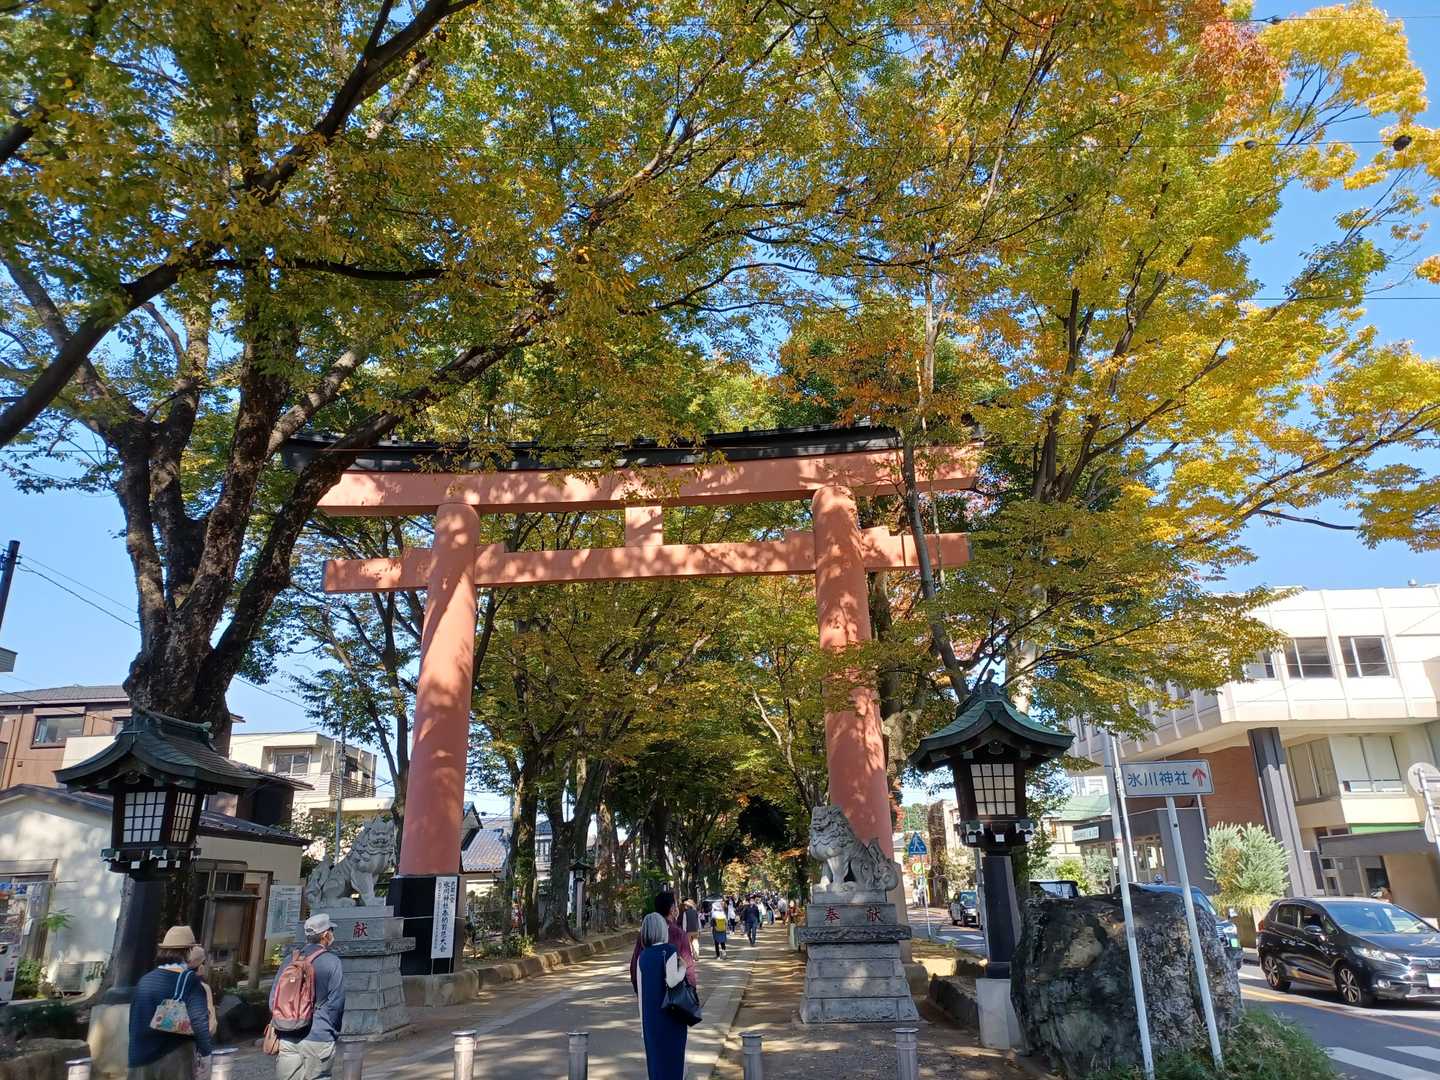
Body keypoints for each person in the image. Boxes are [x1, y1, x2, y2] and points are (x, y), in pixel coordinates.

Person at [129, 925, 213, 1080]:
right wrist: (206, 1054)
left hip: (140, 1057)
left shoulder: (145, 980)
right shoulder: (190, 980)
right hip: (174, 1056)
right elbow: (199, 1020)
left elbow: (134, 1020)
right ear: (188, 951)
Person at [270, 913, 346, 1080]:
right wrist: (331, 1030)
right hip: (319, 1033)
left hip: (288, 1034)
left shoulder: (290, 960)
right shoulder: (332, 962)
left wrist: (285, 1022)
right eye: (331, 931)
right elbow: (337, 1003)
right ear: (325, 935)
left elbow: (273, 999)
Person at [634, 912, 688, 1080]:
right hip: (671, 1018)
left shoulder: (642, 957)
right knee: (673, 1062)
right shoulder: (669, 950)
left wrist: (643, 1026)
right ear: (662, 929)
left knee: (656, 1065)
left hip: (650, 1020)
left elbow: (641, 993)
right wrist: (683, 968)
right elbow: (672, 981)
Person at [629, 892, 696, 992]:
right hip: (675, 995)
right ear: (672, 909)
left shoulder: (646, 933)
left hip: (649, 992)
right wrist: (692, 989)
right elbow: (688, 967)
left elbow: (635, 965)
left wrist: (639, 991)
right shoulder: (678, 934)